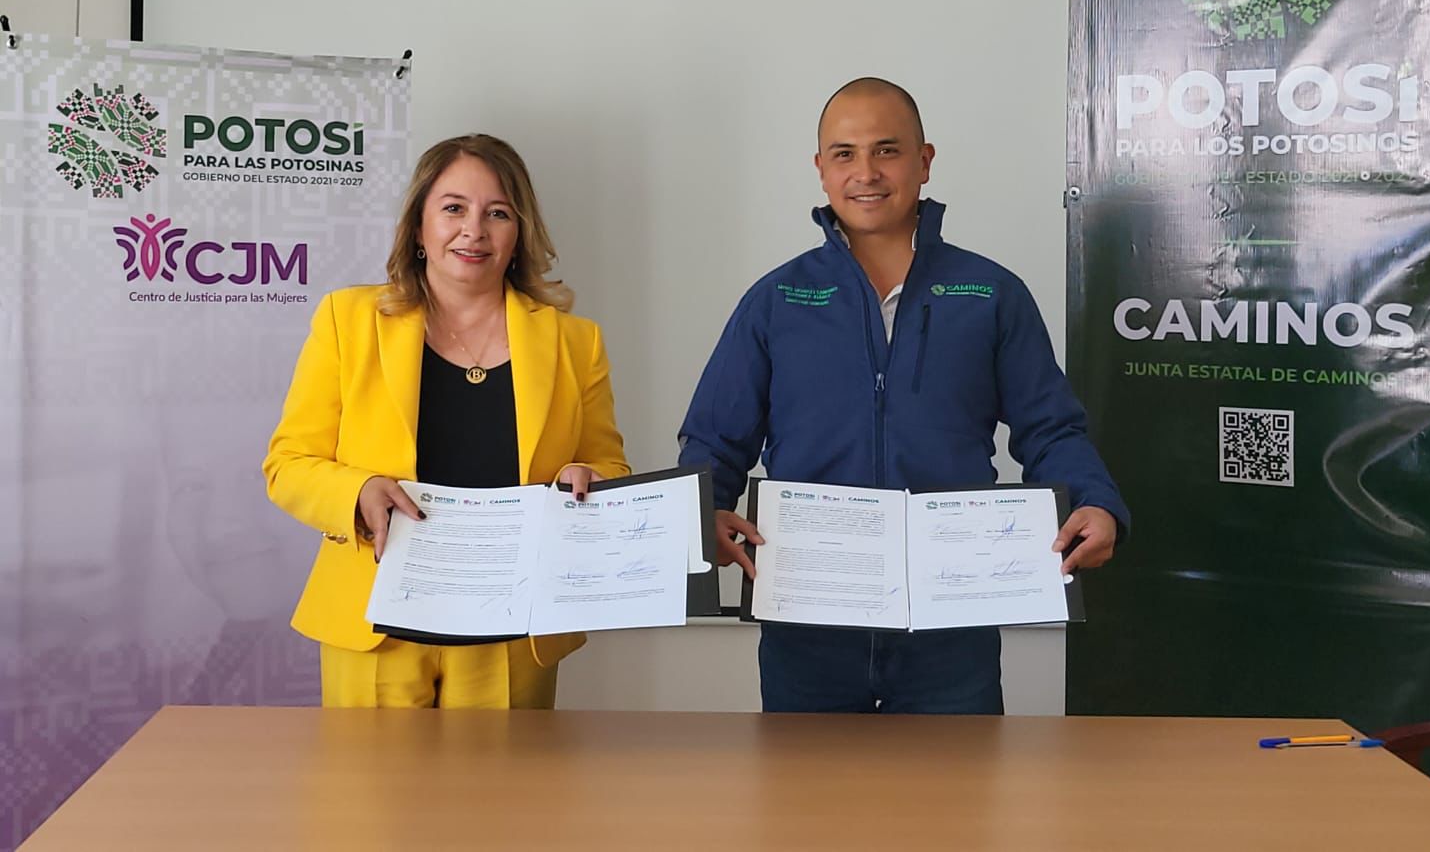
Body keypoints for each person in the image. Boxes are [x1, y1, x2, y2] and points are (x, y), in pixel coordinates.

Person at [677, 78, 1129, 714]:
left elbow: (1050, 429)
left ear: (924, 161)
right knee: (806, 783)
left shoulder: (990, 294)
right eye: (845, 154)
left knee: (954, 783)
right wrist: (706, 511)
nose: (866, 172)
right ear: (821, 169)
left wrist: (1094, 501)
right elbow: (714, 438)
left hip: (951, 626)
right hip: (808, 619)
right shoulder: (776, 300)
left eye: (886, 150)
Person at [264, 134, 629, 709]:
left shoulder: (575, 342)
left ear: (520, 232)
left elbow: (608, 465)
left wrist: (591, 481)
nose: (473, 230)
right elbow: (287, 465)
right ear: (418, 226)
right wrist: (357, 490)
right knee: (366, 776)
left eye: (498, 213)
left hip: (513, 632)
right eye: (454, 208)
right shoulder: (347, 319)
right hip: (375, 626)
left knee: (506, 776)